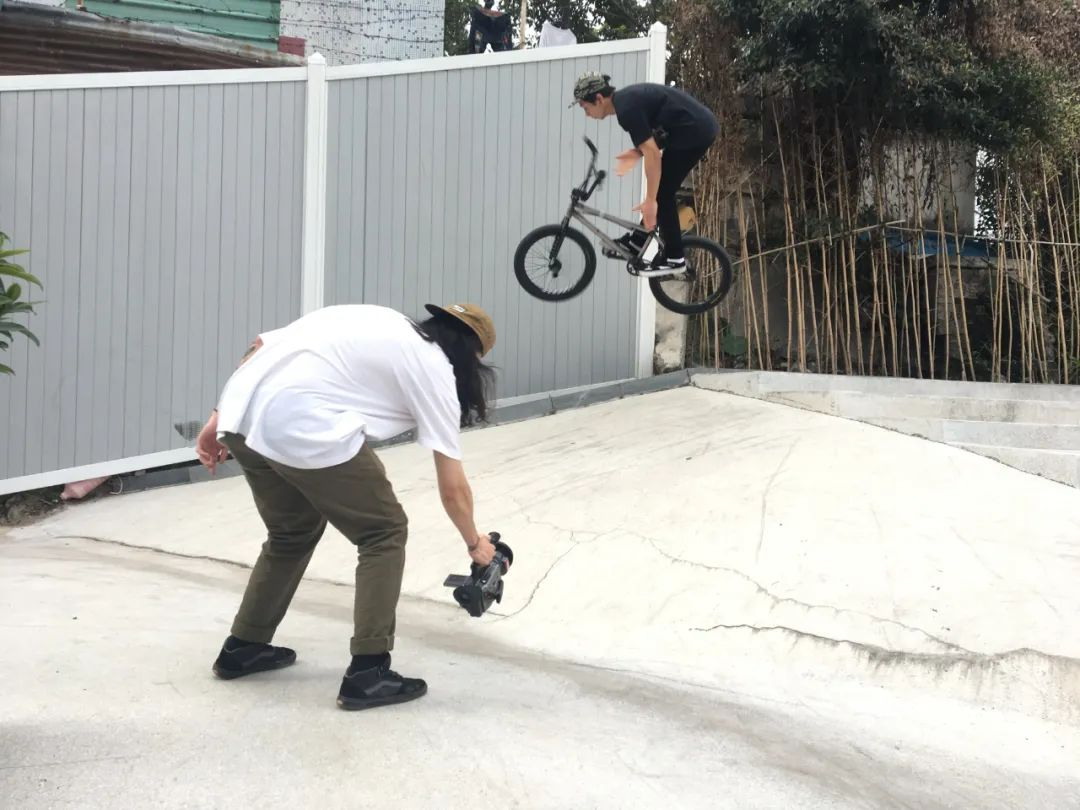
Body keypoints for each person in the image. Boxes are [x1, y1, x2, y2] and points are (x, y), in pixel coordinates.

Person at [193, 302, 498, 711]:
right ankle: (368, 673)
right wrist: (475, 543)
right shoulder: (435, 368)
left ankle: (243, 647)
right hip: (299, 421)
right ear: (472, 357)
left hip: (240, 415)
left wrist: (218, 417)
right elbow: (453, 489)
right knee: (383, 531)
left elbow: (259, 346)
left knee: (290, 533)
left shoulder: (377, 318)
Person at [570, 71, 718, 274]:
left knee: (662, 194)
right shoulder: (626, 101)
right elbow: (657, 136)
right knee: (659, 193)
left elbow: (653, 154)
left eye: (585, 108)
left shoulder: (627, 109)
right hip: (687, 129)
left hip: (696, 131)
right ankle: (637, 243)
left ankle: (675, 258)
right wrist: (635, 154)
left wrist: (650, 201)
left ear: (599, 99)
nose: (587, 114)